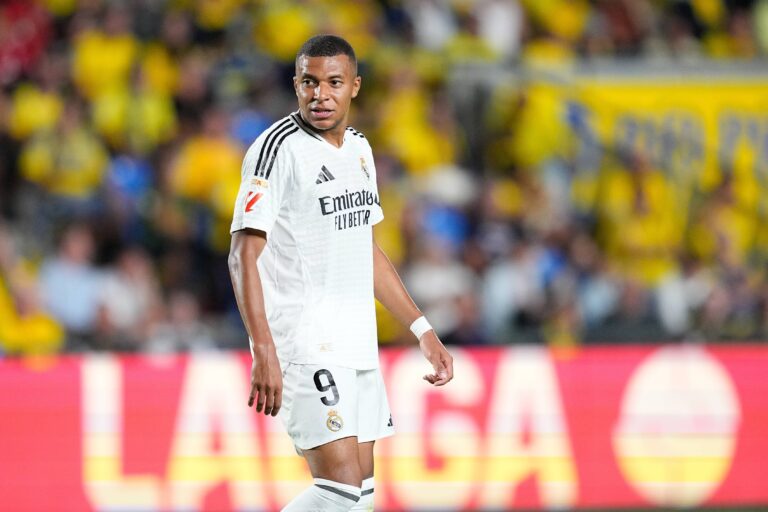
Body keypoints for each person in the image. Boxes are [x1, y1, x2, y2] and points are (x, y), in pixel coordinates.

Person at [228, 34, 454, 511]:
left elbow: (364, 251)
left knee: (360, 499)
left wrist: (422, 328)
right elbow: (242, 254)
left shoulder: (359, 150)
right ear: (295, 85)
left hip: (357, 342)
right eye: (309, 82)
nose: (320, 94)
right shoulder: (275, 151)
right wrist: (264, 347)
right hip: (305, 343)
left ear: (355, 86)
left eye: (333, 82)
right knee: (339, 491)